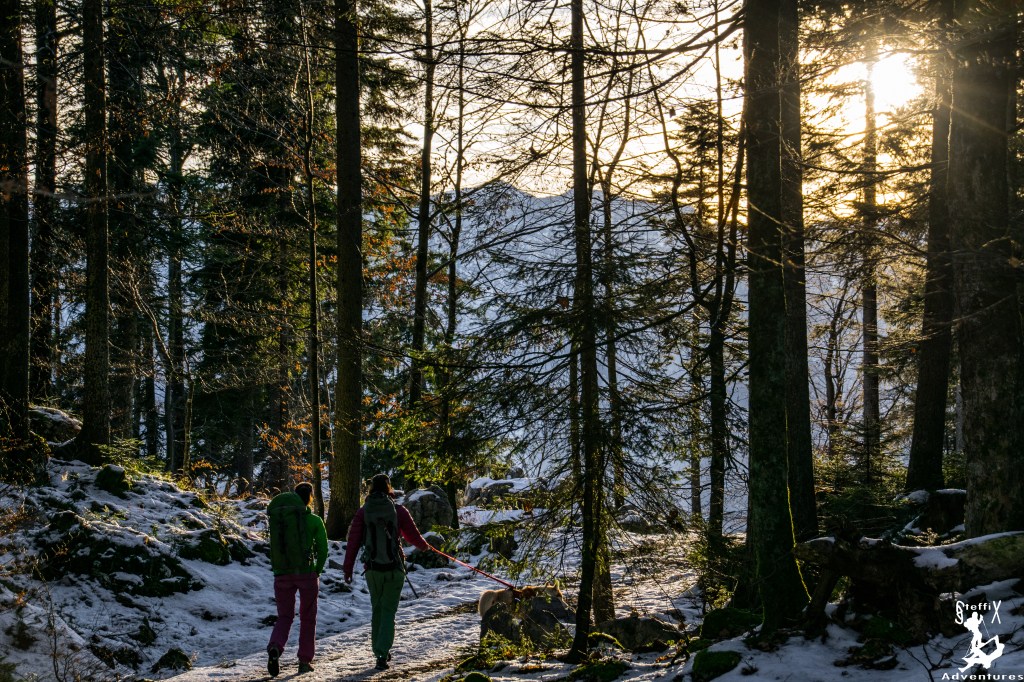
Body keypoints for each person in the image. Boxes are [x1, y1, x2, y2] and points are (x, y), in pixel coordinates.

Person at [344, 473, 431, 670]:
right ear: (389, 488)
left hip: (373, 570)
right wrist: (426, 547)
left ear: (371, 489)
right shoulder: (398, 510)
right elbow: (413, 537)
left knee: (377, 609)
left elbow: (353, 543)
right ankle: (382, 653)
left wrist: (347, 569)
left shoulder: (363, 512)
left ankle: (378, 651)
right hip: (395, 568)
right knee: (389, 612)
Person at [266, 482, 329, 677]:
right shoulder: (314, 521)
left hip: (282, 574)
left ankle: (275, 646)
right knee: (308, 618)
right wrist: (316, 570)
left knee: (284, 616)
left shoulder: (280, 520)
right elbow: (322, 549)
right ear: (309, 497)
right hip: (306, 574)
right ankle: (304, 660)